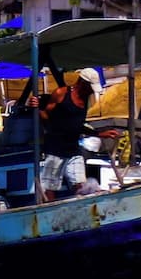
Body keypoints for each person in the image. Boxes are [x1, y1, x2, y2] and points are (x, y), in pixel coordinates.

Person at [28, 71, 95, 200]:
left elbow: (77, 124)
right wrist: (35, 108)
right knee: (50, 187)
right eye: (90, 87)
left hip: (74, 149)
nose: (92, 91)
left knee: (80, 185)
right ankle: (49, 212)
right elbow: (47, 115)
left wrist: (99, 133)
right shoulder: (61, 93)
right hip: (55, 149)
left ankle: (83, 209)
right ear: (82, 83)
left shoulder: (86, 99)